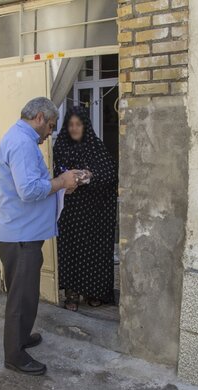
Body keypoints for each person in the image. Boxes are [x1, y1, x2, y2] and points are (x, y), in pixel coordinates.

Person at [0, 97, 83, 376]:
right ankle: (14, 355)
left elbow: (33, 186)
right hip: (19, 234)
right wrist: (61, 182)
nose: (50, 134)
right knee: (20, 297)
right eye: (51, 126)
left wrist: (60, 188)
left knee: (27, 293)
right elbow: (29, 191)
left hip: (22, 232)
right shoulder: (21, 143)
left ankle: (20, 339)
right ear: (40, 118)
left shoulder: (22, 139)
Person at [53, 106, 118, 311]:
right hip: (70, 212)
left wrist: (90, 176)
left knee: (93, 252)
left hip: (93, 213)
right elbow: (51, 173)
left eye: (78, 124)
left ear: (85, 126)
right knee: (70, 252)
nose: (74, 128)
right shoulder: (59, 148)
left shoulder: (95, 147)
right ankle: (71, 294)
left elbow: (110, 174)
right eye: (70, 124)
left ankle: (93, 292)